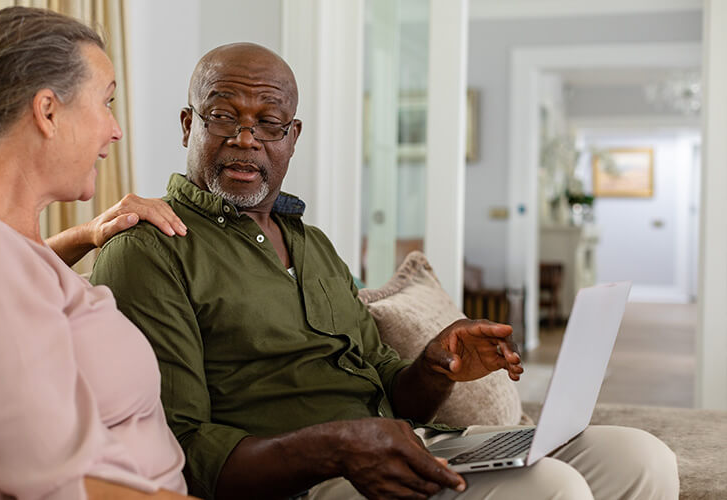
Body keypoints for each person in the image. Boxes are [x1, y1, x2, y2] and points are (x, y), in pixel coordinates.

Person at [91, 42, 679, 500]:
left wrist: (435, 365)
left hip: (404, 447)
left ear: (291, 139)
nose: (246, 139)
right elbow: (184, 445)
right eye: (224, 115)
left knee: (639, 456)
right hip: (308, 481)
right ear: (188, 124)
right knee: (553, 490)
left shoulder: (313, 244)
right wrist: (339, 446)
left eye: (269, 123)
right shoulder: (149, 250)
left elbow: (391, 389)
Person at [0, 7, 199, 499]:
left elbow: (17, 290)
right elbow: (60, 484)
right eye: (106, 102)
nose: (115, 130)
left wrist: (83, 235)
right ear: (48, 112)